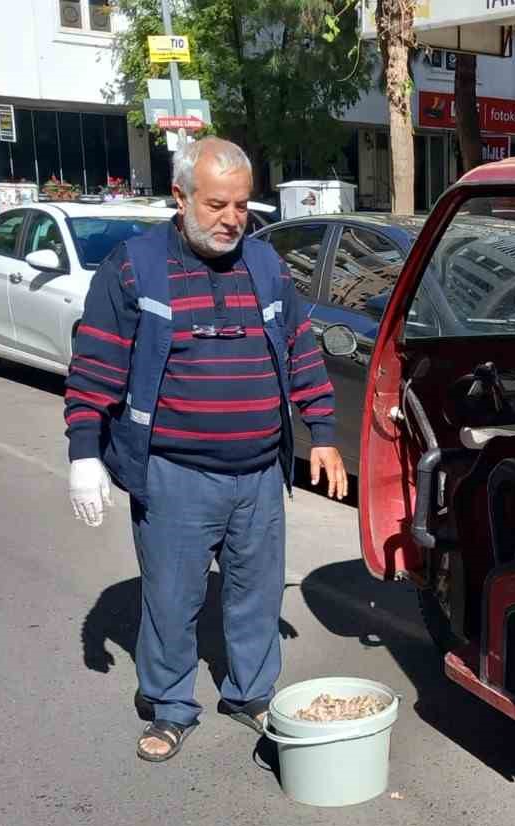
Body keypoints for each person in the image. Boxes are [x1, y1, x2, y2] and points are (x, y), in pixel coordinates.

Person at [63, 137, 344, 763]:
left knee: (257, 593)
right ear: (181, 196)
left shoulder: (266, 266)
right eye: (217, 204)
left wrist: (322, 433)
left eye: (242, 205)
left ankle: (250, 694)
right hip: (174, 473)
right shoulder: (135, 267)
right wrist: (85, 452)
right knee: (171, 596)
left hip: (259, 472)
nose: (231, 219)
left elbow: (300, 348)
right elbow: (96, 364)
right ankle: (168, 706)